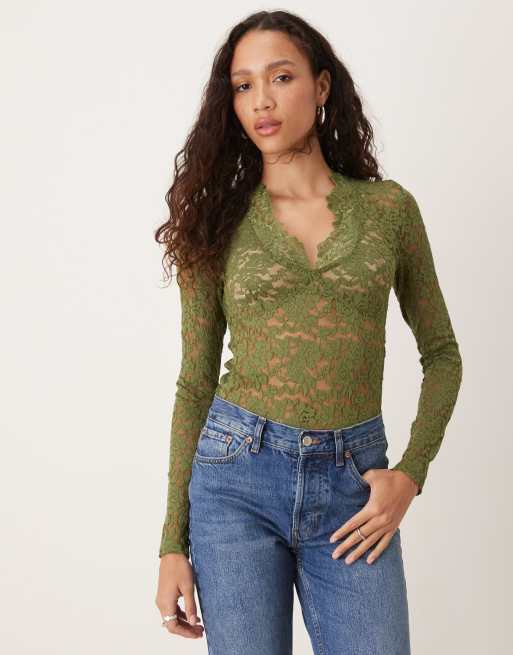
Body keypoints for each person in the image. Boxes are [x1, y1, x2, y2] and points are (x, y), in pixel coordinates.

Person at [154, 10, 463, 655]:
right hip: (235, 478)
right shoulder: (216, 220)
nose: (261, 101)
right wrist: (171, 543)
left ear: (321, 86)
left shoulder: (388, 210)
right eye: (243, 86)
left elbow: (442, 354)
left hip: (355, 486)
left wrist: (410, 474)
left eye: (281, 77)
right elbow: (194, 383)